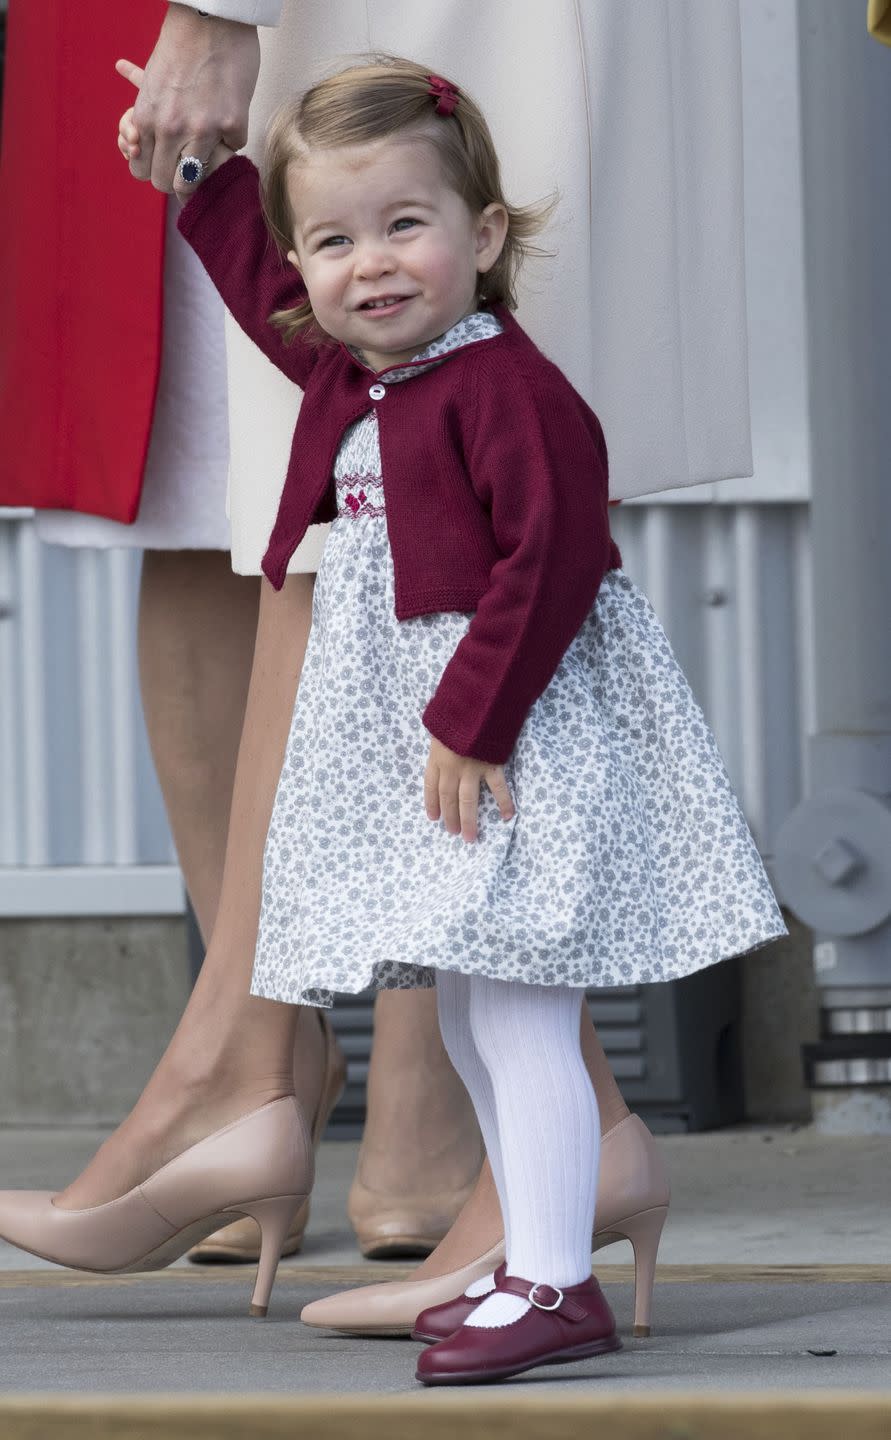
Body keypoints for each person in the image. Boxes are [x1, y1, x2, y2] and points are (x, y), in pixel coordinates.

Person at [5, 54, 783, 1386]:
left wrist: (475, 721)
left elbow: (552, 563)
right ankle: (537, 1260)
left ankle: (551, 1282)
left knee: (523, 1011)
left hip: (510, 739)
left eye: (405, 228)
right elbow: (263, 294)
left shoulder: (504, 388)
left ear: (482, 237)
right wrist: (201, 181)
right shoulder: (361, 372)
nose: (369, 266)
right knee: (482, 1011)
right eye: (334, 241)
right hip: (455, 745)